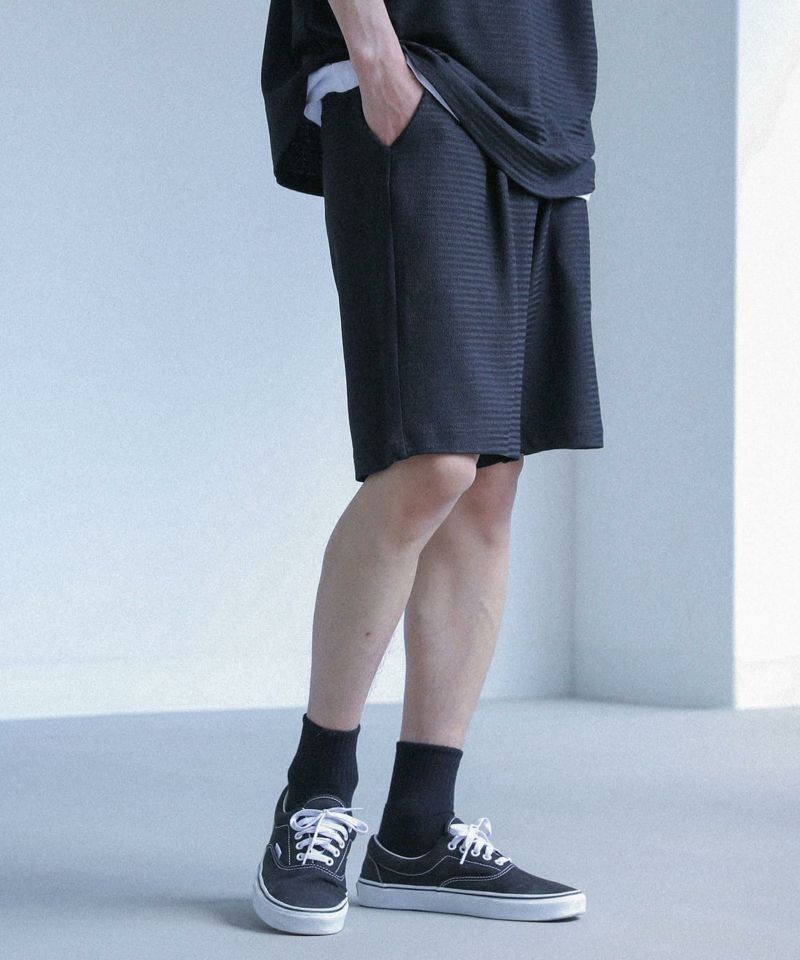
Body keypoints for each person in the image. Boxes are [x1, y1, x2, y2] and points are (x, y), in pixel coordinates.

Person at [252, 0, 604, 935]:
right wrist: (376, 58)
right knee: (431, 460)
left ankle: (417, 829)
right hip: (422, 76)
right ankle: (315, 794)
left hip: (540, 100)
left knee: (489, 481)